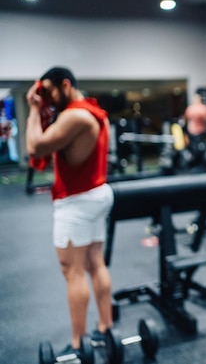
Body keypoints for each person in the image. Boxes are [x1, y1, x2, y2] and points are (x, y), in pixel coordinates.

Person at [25, 67, 114, 354]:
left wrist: (31, 110)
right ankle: (105, 330)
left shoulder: (74, 115)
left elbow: (34, 147)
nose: (47, 98)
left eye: (50, 90)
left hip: (76, 201)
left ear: (66, 84)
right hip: (96, 194)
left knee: (73, 272)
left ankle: (79, 344)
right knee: (95, 264)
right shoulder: (96, 112)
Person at [182, 92, 206, 169]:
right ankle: (194, 165)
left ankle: (200, 165)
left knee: (201, 148)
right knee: (193, 149)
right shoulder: (190, 108)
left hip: (201, 132)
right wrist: (186, 134)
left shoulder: (203, 108)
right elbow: (186, 120)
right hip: (192, 132)